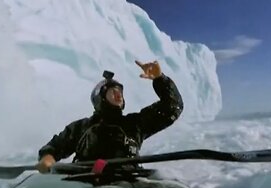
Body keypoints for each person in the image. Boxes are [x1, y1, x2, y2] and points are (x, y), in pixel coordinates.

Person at [36, 60, 183, 174]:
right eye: (112, 91)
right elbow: (54, 147)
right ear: (100, 99)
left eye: (120, 91)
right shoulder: (82, 127)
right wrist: (47, 158)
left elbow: (172, 107)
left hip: (128, 182)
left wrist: (160, 79)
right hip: (85, 182)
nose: (119, 94)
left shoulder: (135, 124)